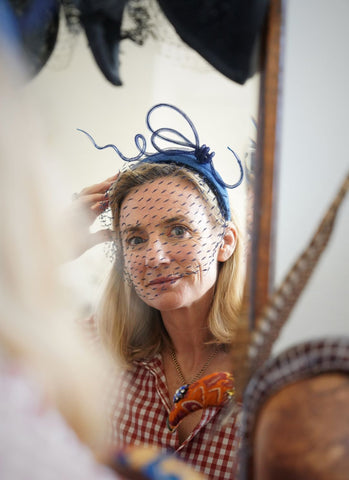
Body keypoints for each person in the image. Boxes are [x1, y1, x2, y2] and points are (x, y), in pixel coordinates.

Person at [75, 103, 246, 479]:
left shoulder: (268, 364)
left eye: (178, 230)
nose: (155, 257)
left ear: (225, 242)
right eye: (135, 239)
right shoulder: (96, 346)